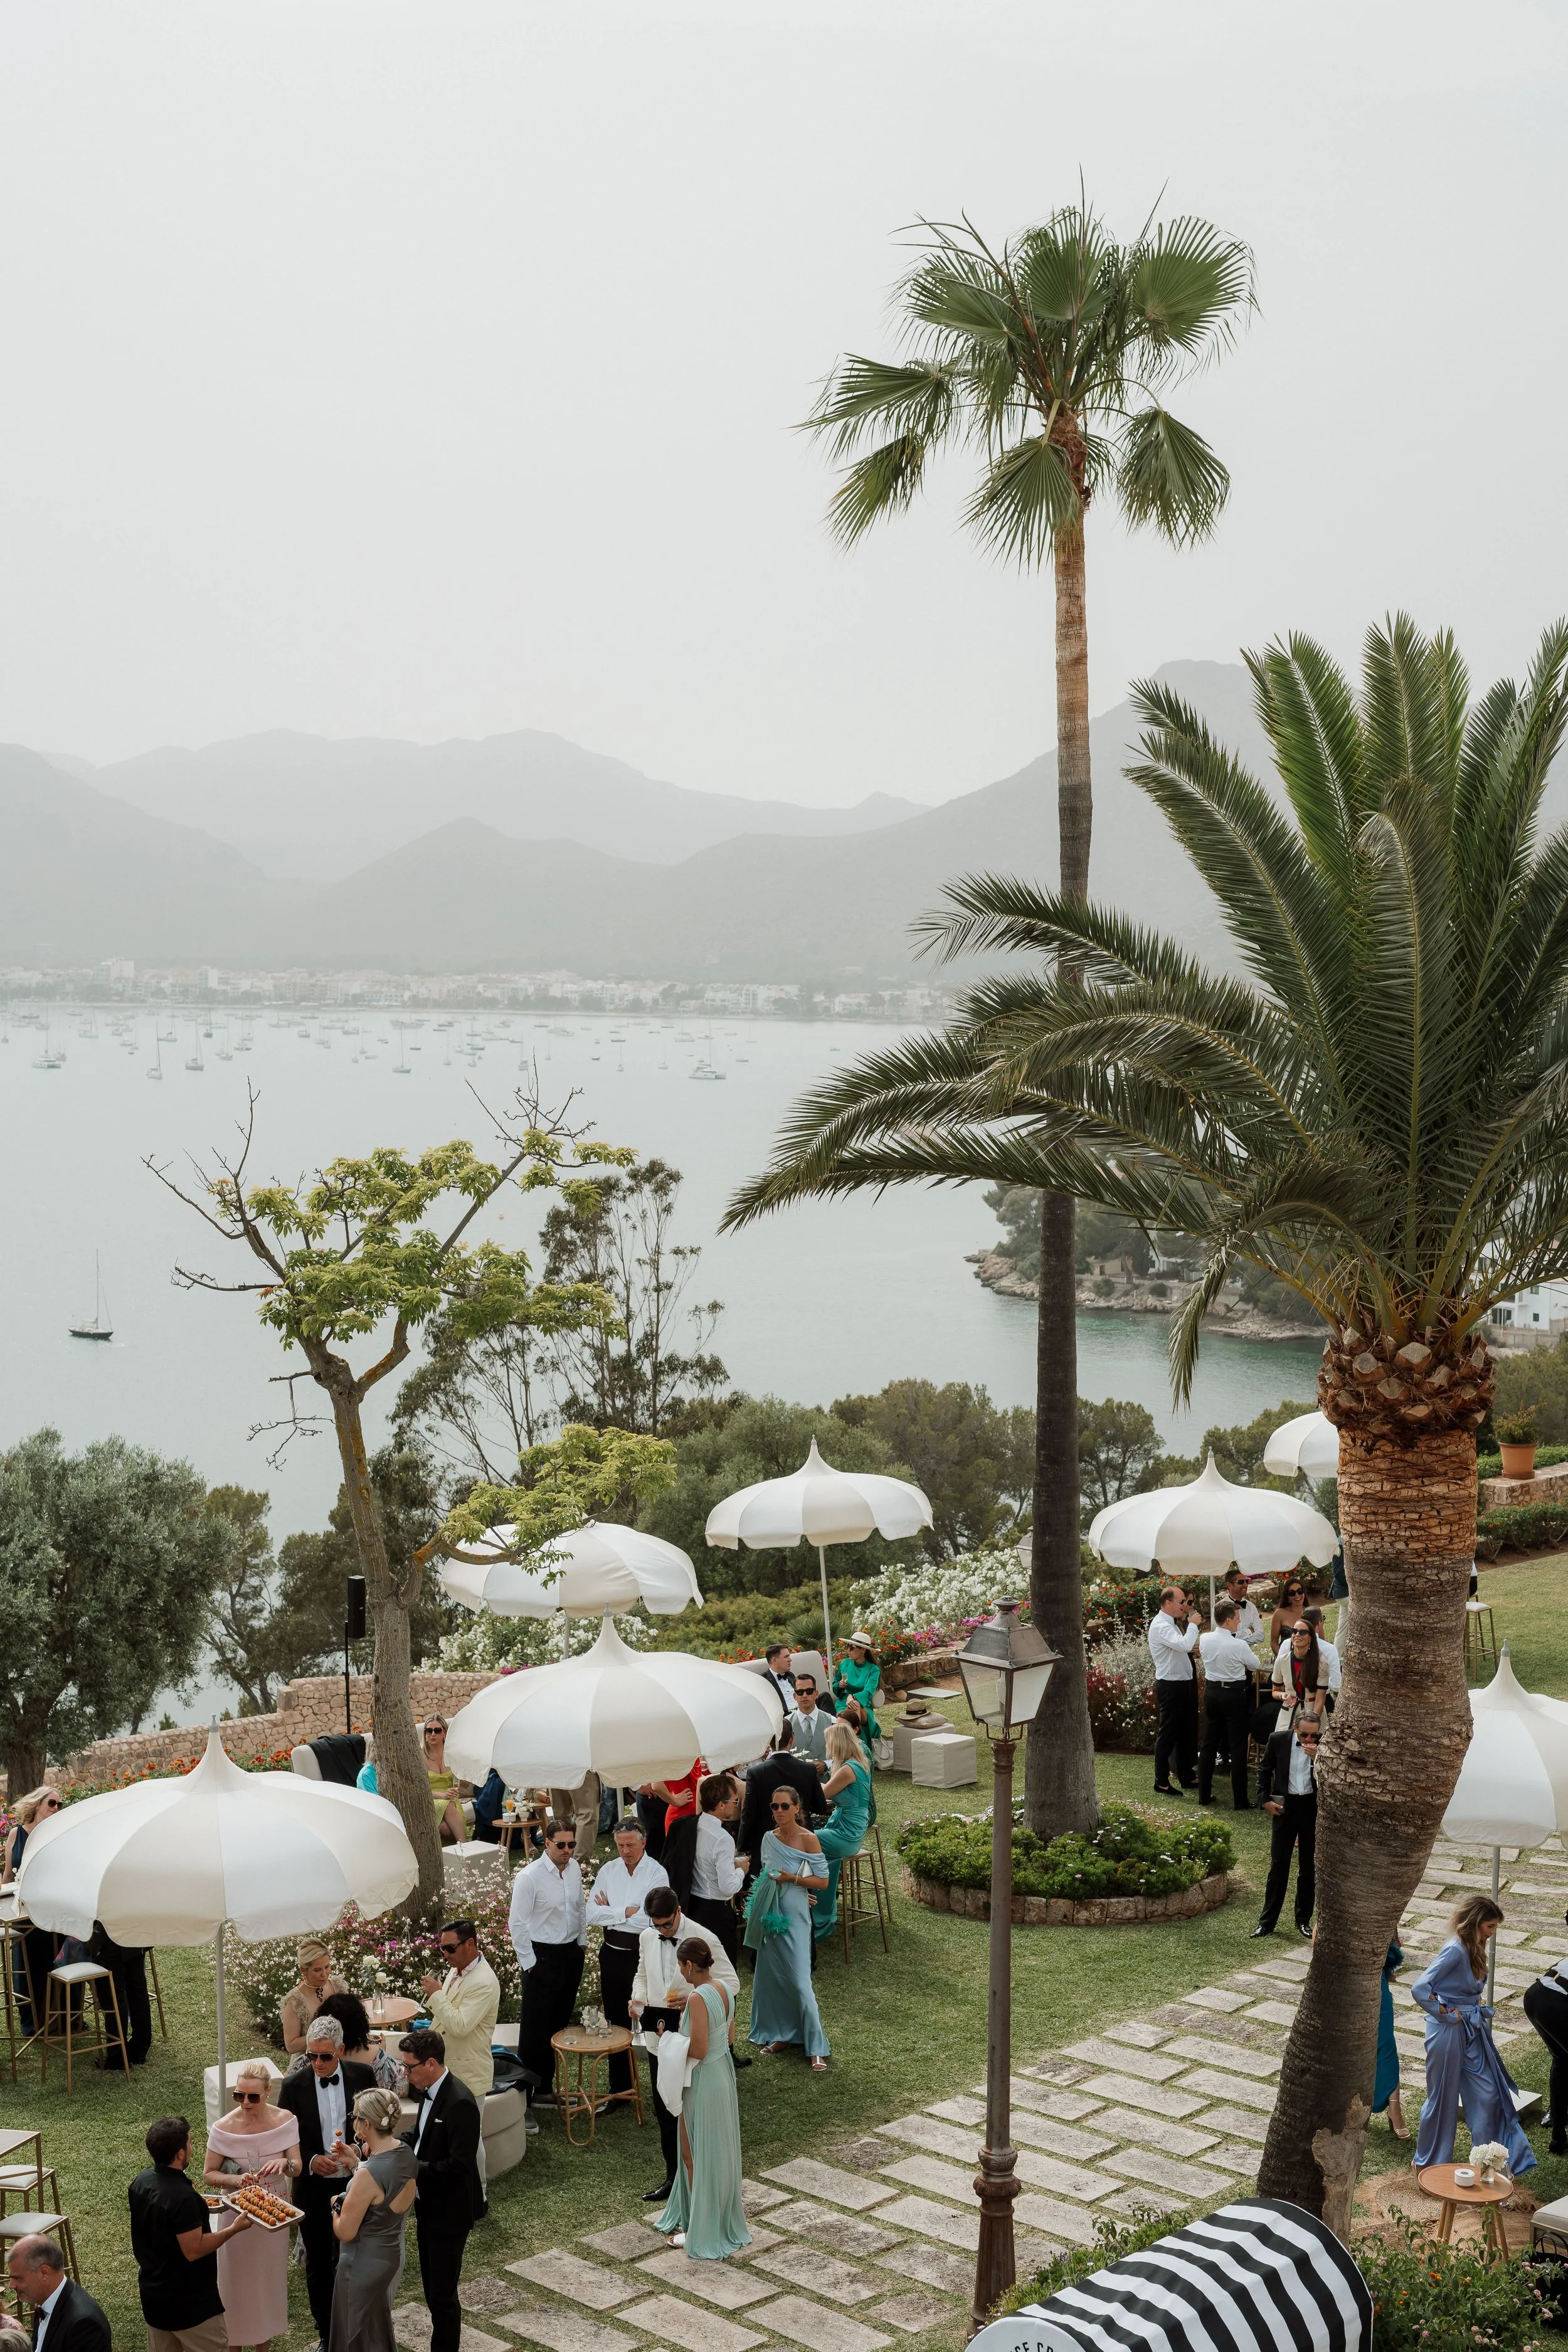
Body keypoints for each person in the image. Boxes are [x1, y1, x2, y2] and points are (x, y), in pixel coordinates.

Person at [1411, 1894, 1536, 2177]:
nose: (1493, 1933)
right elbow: (1420, 1988)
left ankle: (1489, 2163)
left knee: (1489, 2093)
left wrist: (1470, 2006)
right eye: (1490, 1926)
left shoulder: (1474, 1947)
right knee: (1442, 2098)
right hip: (1448, 2030)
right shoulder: (1455, 1949)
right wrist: (1446, 2013)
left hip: (1472, 2028)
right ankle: (1428, 2164)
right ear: (1476, 1923)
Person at [631, 1888, 741, 2205]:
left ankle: (699, 2181)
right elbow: (641, 1975)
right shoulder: (647, 1938)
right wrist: (637, 1998)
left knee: (690, 2113)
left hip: (692, 2036)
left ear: (679, 1911)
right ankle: (673, 2178)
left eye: (667, 1925)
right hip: (657, 2039)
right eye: (656, 1925)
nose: (661, 1930)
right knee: (665, 2110)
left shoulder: (703, 1938)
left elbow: (731, 1983)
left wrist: (696, 1997)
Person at [277, 2015, 376, 2348]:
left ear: (342, 2050)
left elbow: (373, 2127)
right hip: (313, 2189)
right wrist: (309, 2160)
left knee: (355, 2259)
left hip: (356, 2182)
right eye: (311, 2056)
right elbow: (284, 2137)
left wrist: (359, 2153)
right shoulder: (294, 2086)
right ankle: (327, 2335)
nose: (317, 2063)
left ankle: (358, 2327)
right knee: (319, 2263)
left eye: (325, 2056)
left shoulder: (363, 2076)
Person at [653, 1937, 751, 2260]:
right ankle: (717, 2220)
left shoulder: (696, 1998)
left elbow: (698, 2049)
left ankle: (698, 2228)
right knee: (717, 2154)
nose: (680, 1971)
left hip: (702, 2082)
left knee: (692, 2154)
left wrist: (667, 2039)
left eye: (681, 1966)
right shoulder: (724, 1989)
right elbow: (729, 2037)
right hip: (723, 2076)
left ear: (689, 1965)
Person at [130, 2116, 252, 2352]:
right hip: (190, 2306)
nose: (192, 2148)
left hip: (154, 2299)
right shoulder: (183, 2198)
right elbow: (194, 2249)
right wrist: (233, 2229)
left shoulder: (141, 2182)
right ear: (180, 2154)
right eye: (190, 2144)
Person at [203, 2062, 300, 2352]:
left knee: (266, 2284)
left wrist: (286, 2163)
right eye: (239, 2096)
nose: (245, 2102)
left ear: (268, 2092)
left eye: (253, 2096)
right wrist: (235, 2178)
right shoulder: (224, 2128)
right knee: (234, 2286)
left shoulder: (286, 2121)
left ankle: (263, 2347)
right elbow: (209, 2174)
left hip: (273, 2217)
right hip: (238, 2217)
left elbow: (297, 2168)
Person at [400, 2028, 483, 2352]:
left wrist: (412, 2169)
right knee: (432, 2290)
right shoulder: (430, 2091)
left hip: (450, 2212)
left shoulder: (461, 2102)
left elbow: (459, 2165)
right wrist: (388, 2146)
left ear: (431, 2063)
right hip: (428, 2207)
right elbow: (420, 2138)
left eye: (410, 2067)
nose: (406, 2073)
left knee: (443, 2297)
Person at [746, 1784, 830, 2069]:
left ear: (797, 1808)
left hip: (794, 1916)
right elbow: (766, 1873)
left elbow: (822, 1881)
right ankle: (784, 2033)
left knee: (799, 1980)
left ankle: (816, 2045)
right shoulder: (768, 1838)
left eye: (785, 1806)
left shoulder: (809, 1840)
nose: (779, 1811)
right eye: (774, 1806)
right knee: (773, 1977)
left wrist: (793, 1881)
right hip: (770, 1912)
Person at [328, 2087, 418, 2352]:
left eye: (355, 2117)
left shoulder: (368, 2176)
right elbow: (383, 2193)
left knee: (352, 2337)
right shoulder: (405, 2153)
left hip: (359, 2265)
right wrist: (357, 2164)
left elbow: (345, 2232)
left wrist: (335, 2205)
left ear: (366, 2124)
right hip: (388, 2258)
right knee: (375, 2333)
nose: (353, 2121)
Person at [509, 1817, 586, 2107]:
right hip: (540, 1958)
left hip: (569, 1955)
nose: (568, 1850)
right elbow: (517, 1924)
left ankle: (544, 2091)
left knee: (557, 2028)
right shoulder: (530, 1877)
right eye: (562, 1844)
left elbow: (579, 1907)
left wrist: (582, 1944)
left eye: (572, 1844)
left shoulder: (575, 1869)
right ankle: (523, 2104)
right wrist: (531, 1964)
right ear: (547, 1842)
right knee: (533, 2033)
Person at [590, 1818, 671, 2094]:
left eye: (630, 1845)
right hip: (611, 1953)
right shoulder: (609, 1870)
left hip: (644, 1954)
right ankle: (620, 2089)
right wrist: (625, 1912)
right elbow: (591, 1913)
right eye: (620, 1845)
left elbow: (650, 1921)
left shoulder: (657, 1873)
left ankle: (662, 2085)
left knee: (650, 2016)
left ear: (644, 1842)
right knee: (615, 2020)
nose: (625, 1851)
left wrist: (611, 1913)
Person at [419, 1918, 501, 2105]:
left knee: (469, 2134)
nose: (445, 1955)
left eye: (451, 1948)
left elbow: (461, 2026)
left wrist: (437, 1994)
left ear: (470, 1944)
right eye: (442, 1949)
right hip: (444, 2071)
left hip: (467, 2076)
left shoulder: (484, 1982)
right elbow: (448, 2013)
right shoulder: (457, 1969)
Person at [1253, 1710, 1320, 1937]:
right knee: (1278, 1867)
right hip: (1285, 1809)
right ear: (1295, 1729)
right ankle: (1267, 1922)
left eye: (1314, 1736)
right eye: (1304, 1735)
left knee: (1308, 1868)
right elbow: (1264, 1771)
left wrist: (1318, 1758)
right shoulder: (1278, 1740)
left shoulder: (1323, 1750)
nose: (1309, 1740)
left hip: (1311, 1810)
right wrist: (1265, 1801)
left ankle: (1303, 1920)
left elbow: (1330, 1779)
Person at [3, 1786, 62, 2034]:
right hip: (21, 1914)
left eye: (59, 1804)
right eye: (52, 1803)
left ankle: (60, 2019)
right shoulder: (16, 1834)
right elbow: (7, 1874)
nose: (56, 1808)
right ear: (38, 1804)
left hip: (51, 1914)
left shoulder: (58, 1835)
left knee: (52, 1964)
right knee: (26, 1967)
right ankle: (32, 2023)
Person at [811, 1720, 873, 1942]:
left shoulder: (848, 1769)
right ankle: (817, 1911)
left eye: (829, 1743)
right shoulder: (858, 1763)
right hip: (848, 1829)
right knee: (813, 1852)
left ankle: (814, 1911)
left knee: (803, 1841)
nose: (828, 1748)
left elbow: (822, 1795)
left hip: (846, 1834)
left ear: (837, 1744)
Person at [1197, 1599, 1259, 1811]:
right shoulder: (1239, 1644)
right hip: (1233, 1695)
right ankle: (1240, 1800)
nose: (1239, 1623)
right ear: (1228, 1620)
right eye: (1237, 1620)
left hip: (1212, 1693)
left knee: (1209, 1744)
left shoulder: (1205, 1639)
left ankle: (1204, 1795)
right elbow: (1255, 1664)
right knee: (1238, 1746)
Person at [6, 2238, 110, 2352]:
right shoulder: (45, 2302)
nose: (11, 2285)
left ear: (44, 2272)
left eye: (17, 2278)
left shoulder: (84, 2325)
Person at [687, 1776, 748, 1964]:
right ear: (721, 1805)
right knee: (724, 1971)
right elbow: (728, 1888)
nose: (735, 1806)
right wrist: (741, 1870)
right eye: (734, 1802)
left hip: (693, 1906)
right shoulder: (723, 1838)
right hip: (716, 1912)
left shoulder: (690, 1825)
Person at [738, 1730, 827, 1857]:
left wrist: (742, 1847)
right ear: (792, 1740)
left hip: (767, 1844)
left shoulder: (756, 1772)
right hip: (801, 1844)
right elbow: (821, 1808)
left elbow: (748, 1814)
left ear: (769, 1742)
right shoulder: (808, 1769)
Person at [1147, 1585, 1200, 1796]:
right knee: (1168, 1733)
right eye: (1182, 1602)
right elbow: (1184, 1645)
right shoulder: (1162, 1626)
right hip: (1171, 1686)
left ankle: (1186, 1776)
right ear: (1169, 1603)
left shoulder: (1171, 1623)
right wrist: (1193, 1625)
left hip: (1181, 1683)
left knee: (1185, 1732)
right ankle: (1161, 1781)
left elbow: (1179, 1650)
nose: (1185, 1606)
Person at [1523, 1926, 1568, 2156]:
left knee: (1562, 2060)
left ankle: (1559, 2136)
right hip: (1555, 2002)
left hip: (1535, 1996)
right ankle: (1559, 2128)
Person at [314, 1993, 405, 2094]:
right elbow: (399, 2090)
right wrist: (381, 2053)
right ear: (361, 2022)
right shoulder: (383, 2061)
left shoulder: (312, 2060)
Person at [281, 1939, 347, 2062]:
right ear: (303, 1971)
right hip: (309, 2062)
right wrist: (325, 2035)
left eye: (327, 1967)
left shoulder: (338, 1986)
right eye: (317, 1970)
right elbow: (291, 2045)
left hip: (341, 2057)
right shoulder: (295, 2001)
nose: (325, 1974)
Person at [1375, 1940, 1409, 2139]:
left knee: (1386, 2045)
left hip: (1377, 1982)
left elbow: (1391, 1935)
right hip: (1346, 1985)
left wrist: (1387, 1966)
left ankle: (1394, 2107)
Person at [1271, 1619, 1338, 1719]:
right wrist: (1283, 1695)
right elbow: (1275, 1691)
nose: (1297, 1635)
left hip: (1314, 1713)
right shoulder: (1281, 1661)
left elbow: (1320, 1699)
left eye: (1302, 1632)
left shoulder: (1321, 1663)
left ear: (1310, 1638)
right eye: (1294, 1631)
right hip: (1289, 1713)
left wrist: (1313, 1722)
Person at [420, 1720, 468, 1845]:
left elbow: (465, 1785)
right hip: (430, 1799)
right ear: (425, 1734)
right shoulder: (419, 1757)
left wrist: (462, 1775)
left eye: (437, 1730)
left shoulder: (452, 1755)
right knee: (449, 1805)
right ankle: (464, 1847)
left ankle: (459, 1851)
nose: (433, 1734)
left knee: (445, 1827)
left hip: (451, 1798)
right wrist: (443, 1795)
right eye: (429, 1731)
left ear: (444, 1733)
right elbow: (419, 1790)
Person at [832, 1634, 881, 1746]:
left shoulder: (873, 1669)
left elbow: (868, 1692)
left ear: (863, 1650)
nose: (848, 1650)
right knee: (853, 1706)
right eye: (848, 1646)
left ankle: (854, 1747)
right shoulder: (845, 1663)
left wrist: (853, 1697)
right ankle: (859, 1747)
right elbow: (835, 1684)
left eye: (852, 1647)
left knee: (855, 1704)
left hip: (864, 1705)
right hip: (843, 1703)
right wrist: (839, 1685)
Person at [548, 1774, 602, 1859]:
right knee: (586, 1816)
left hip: (556, 1767)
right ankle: (579, 1864)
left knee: (562, 1816)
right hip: (581, 1768)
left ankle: (562, 1858)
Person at [786, 1674, 830, 1766]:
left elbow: (843, 1756)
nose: (805, 1695)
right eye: (800, 1692)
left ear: (816, 1694)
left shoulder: (833, 1722)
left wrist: (827, 1765)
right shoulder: (785, 1725)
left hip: (828, 1779)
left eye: (809, 1691)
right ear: (794, 1696)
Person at [1222, 1567, 1265, 1649]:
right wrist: (1249, 1631)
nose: (1246, 1585)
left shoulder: (1251, 1607)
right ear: (1229, 1585)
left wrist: (1236, 1640)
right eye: (1241, 1582)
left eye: (1247, 1581)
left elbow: (1261, 1636)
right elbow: (1221, 1639)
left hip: (1246, 1658)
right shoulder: (1220, 1609)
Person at [1268, 1576, 1310, 1655]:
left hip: (1308, 1659)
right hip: (1284, 1658)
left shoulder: (1311, 1612)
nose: (1297, 1595)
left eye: (1300, 1591)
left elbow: (1321, 1640)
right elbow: (1274, 1643)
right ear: (1287, 1596)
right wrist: (1283, 1660)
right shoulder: (1280, 1614)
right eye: (1292, 1593)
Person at [760, 1644, 796, 1719]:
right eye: (786, 1657)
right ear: (775, 1660)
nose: (790, 1660)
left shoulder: (790, 1675)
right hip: (784, 1720)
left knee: (824, 1697)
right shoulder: (763, 1681)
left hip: (802, 1714)